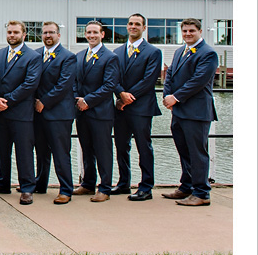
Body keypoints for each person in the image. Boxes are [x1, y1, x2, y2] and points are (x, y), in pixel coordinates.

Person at [0, 21, 43, 205]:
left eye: (16, 32)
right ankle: (3, 182)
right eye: (9, 32)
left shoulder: (33, 56)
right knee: (2, 149)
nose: (12, 35)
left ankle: (27, 188)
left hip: (21, 113)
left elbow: (30, 84)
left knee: (24, 152)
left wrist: (6, 100)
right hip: (0, 112)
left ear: (24, 34)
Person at [161, 18, 218, 206]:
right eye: (184, 31)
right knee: (183, 151)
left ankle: (201, 193)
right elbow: (170, 74)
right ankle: (186, 186)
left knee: (197, 152)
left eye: (191, 31)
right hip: (179, 111)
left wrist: (175, 97)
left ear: (200, 31)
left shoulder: (208, 53)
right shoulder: (179, 51)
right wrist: (167, 95)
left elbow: (198, 81)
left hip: (197, 112)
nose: (187, 34)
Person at [111, 14, 162, 201]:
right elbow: (112, 78)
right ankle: (124, 183)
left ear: (144, 28)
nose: (133, 27)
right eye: (131, 23)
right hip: (121, 109)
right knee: (121, 146)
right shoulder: (116, 52)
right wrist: (120, 93)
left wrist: (127, 96)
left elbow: (149, 80)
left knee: (144, 147)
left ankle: (146, 187)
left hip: (141, 107)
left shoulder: (153, 52)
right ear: (127, 26)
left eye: (137, 24)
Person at [73, 20, 120, 202]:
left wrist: (88, 101)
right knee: (86, 148)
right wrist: (78, 99)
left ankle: (105, 187)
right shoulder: (79, 55)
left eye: (95, 32)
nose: (91, 35)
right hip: (81, 111)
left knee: (103, 150)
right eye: (88, 32)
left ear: (102, 34)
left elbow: (110, 85)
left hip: (100, 112)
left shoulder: (110, 57)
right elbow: (75, 82)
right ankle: (87, 183)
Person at [33, 22, 77, 204]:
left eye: (51, 32)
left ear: (59, 35)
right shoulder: (35, 54)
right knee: (41, 152)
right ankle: (40, 183)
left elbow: (63, 85)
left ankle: (66, 189)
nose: (48, 36)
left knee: (61, 152)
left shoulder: (68, 57)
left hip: (59, 114)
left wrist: (44, 102)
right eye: (44, 33)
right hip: (38, 113)